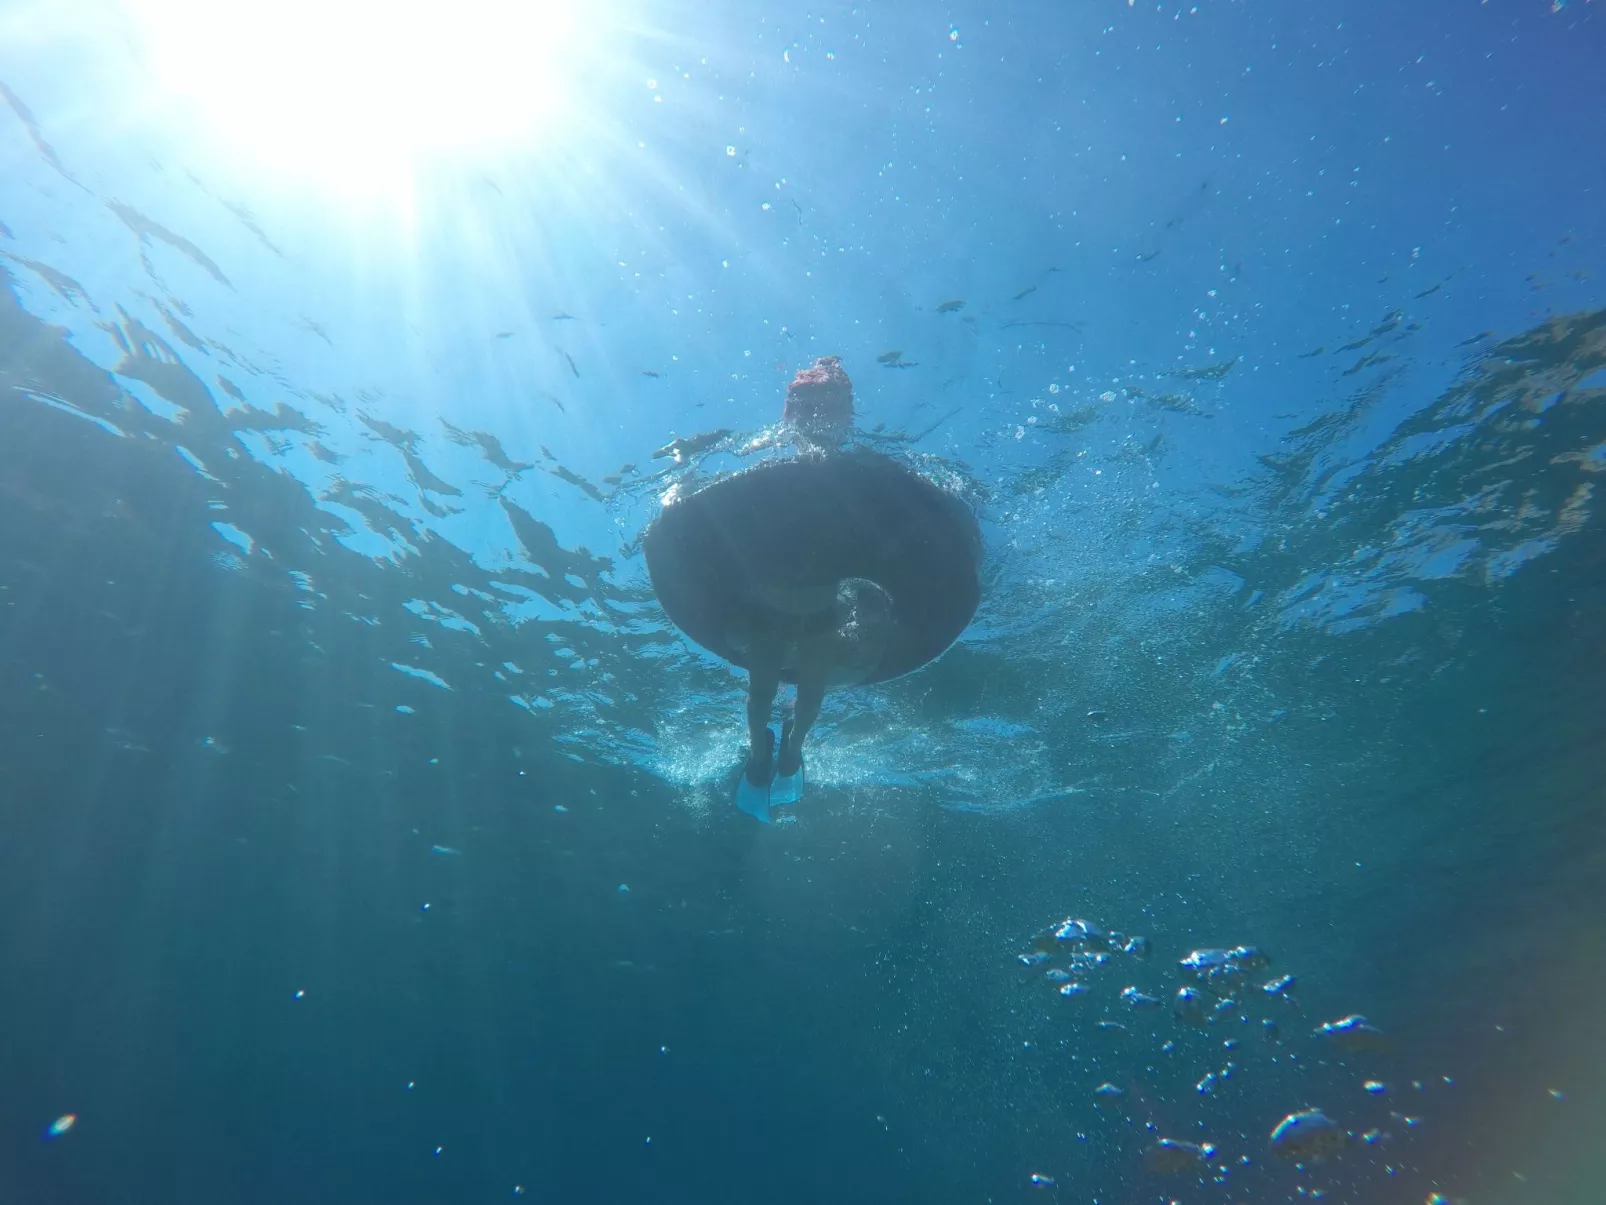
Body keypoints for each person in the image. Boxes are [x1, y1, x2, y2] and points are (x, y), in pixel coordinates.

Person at [642, 357, 981, 821]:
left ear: (847, 416)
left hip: (821, 614)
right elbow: (691, 498)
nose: (817, 417)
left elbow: (915, 492)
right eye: (806, 406)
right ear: (789, 414)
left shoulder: (864, 464)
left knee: (809, 696)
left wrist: (955, 499)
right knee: (761, 694)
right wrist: (686, 462)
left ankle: (792, 753)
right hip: (764, 610)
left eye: (830, 406)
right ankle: (760, 752)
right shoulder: (764, 453)